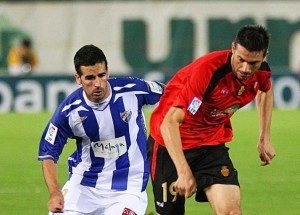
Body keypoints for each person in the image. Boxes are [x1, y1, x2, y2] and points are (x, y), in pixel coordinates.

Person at [147, 25, 276, 215]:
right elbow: (170, 123)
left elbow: (265, 90)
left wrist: (264, 137)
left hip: (210, 145)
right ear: (233, 48)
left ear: (264, 56)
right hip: (171, 144)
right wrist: (183, 171)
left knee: (232, 212)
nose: (246, 69)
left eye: (253, 63)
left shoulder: (262, 72)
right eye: (241, 60)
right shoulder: (207, 72)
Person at [38, 44, 164, 215]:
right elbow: (48, 154)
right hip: (84, 185)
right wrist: (55, 192)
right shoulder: (69, 110)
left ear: (108, 72)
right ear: (78, 78)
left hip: (128, 188)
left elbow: (172, 92)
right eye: (90, 78)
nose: (97, 84)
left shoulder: (132, 89)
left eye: (101, 75)